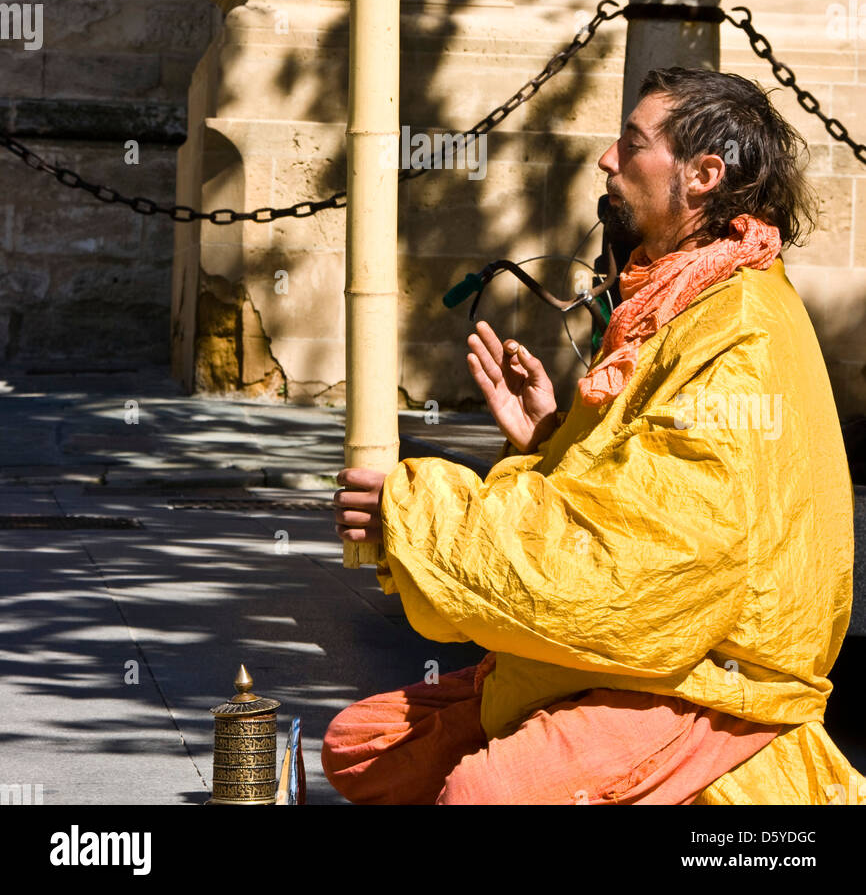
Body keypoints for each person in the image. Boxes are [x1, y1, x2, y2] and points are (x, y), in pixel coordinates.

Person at [325, 67, 863, 804]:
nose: (607, 159)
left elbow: (647, 553)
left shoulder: (741, 330)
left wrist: (415, 514)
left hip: (712, 669)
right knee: (364, 748)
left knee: (485, 795)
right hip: (647, 642)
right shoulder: (684, 290)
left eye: (631, 143)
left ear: (703, 176)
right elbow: (624, 485)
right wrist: (543, 439)